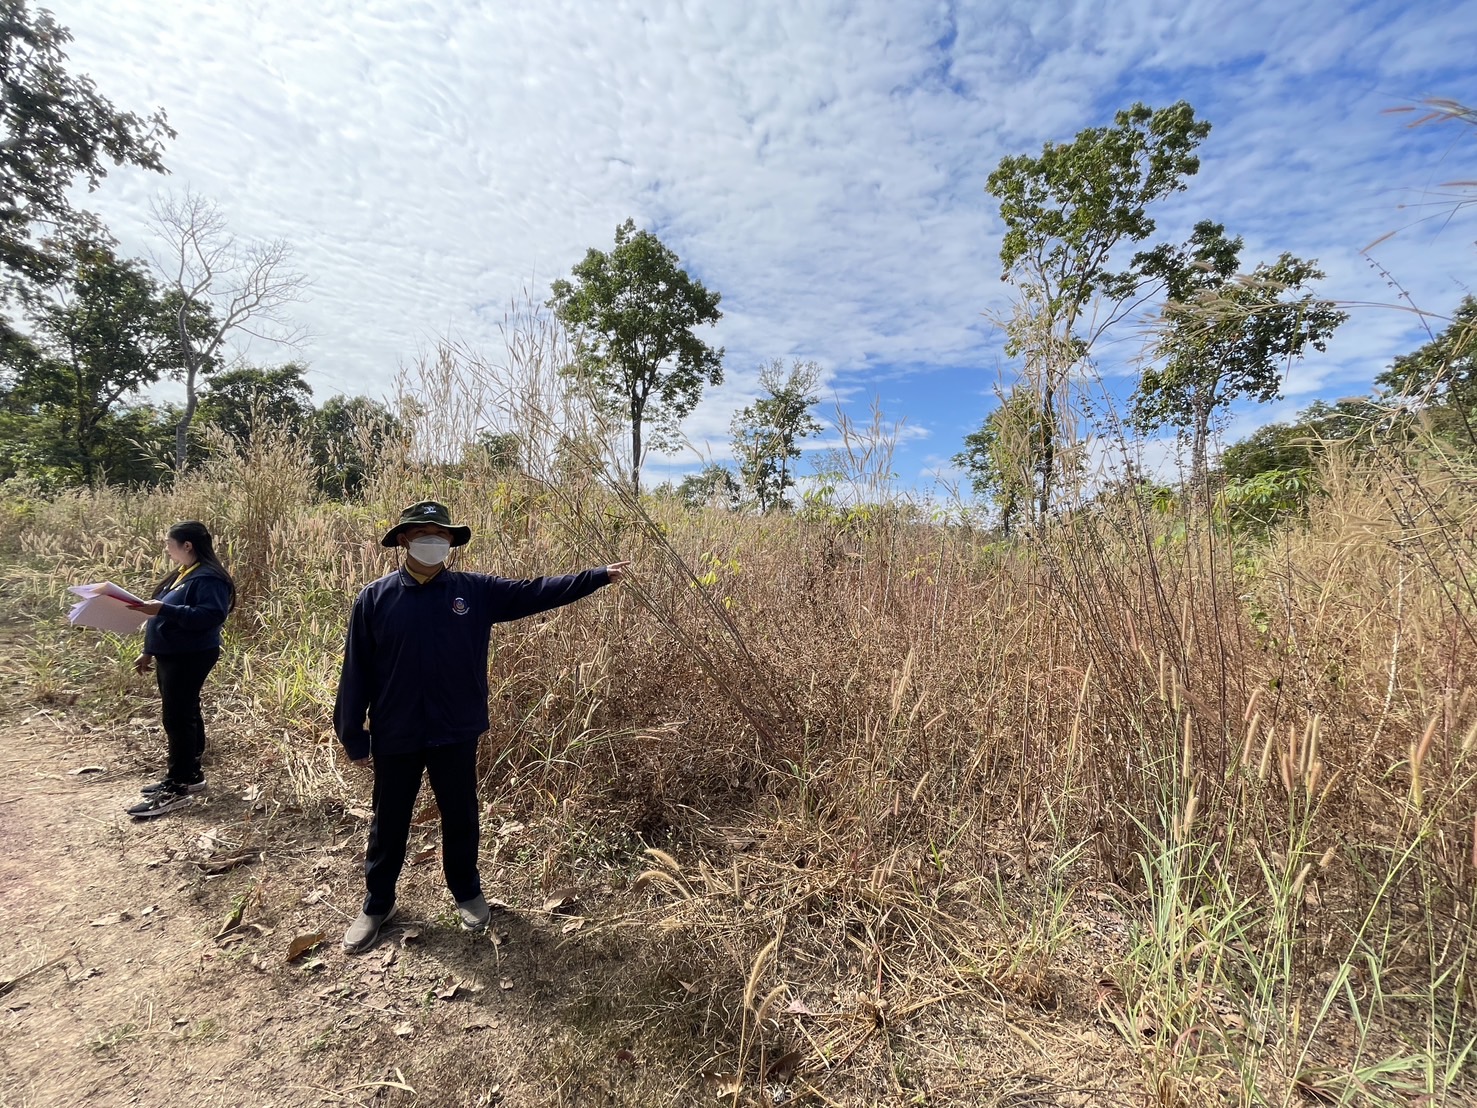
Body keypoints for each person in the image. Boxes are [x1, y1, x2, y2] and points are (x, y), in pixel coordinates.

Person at [333, 500, 627, 954]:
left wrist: (596, 576)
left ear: (451, 542)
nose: (434, 542)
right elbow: (357, 672)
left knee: (461, 813)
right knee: (389, 819)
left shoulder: (474, 591)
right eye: (424, 534)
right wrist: (353, 732)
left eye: (442, 535)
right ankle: (377, 903)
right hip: (396, 731)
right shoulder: (374, 598)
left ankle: (467, 892)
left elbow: (537, 591)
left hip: (455, 728)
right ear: (405, 541)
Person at [124, 520, 236, 819]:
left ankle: (177, 787)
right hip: (171, 654)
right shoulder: (184, 574)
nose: (166, 549)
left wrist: (162, 609)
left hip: (191, 655)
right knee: (184, 712)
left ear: (187, 545)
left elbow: (210, 616)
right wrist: (149, 649)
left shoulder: (209, 578)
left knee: (177, 717)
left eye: (169, 543)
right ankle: (191, 775)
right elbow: (162, 612)